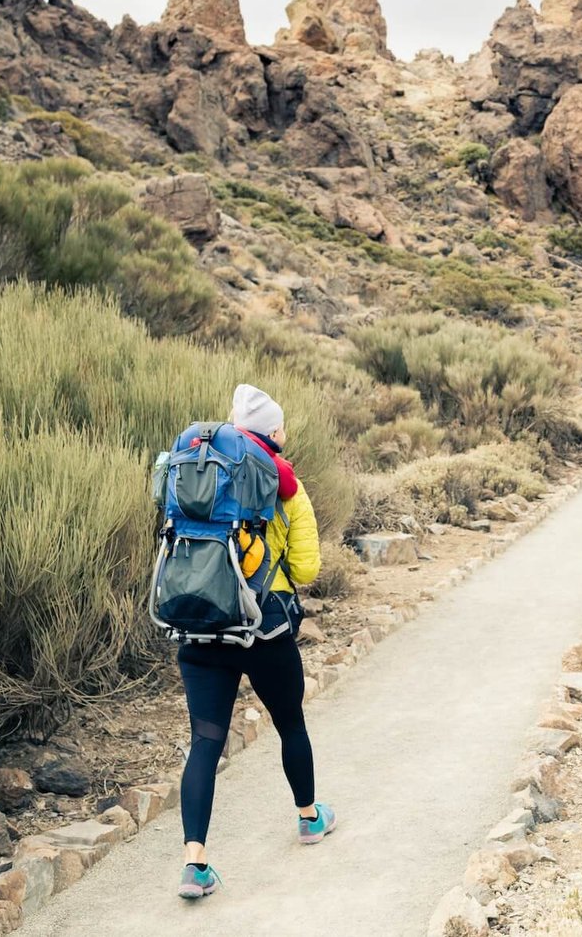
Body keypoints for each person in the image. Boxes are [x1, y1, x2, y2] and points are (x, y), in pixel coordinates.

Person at [175, 384, 333, 899]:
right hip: (263, 628)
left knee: (206, 743)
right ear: (273, 435)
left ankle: (195, 864)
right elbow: (307, 569)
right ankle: (310, 818)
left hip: (199, 624)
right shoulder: (287, 487)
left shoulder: (194, 472)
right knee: (290, 724)